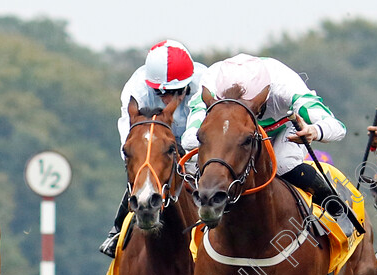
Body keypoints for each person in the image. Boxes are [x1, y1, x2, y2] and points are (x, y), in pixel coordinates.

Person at [181, 53, 361, 236]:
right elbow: (189, 138)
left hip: (283, 130)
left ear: (265, 95)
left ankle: (335, 207)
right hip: (235, 137)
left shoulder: (285, 86)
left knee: (283, 163)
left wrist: (314, 131)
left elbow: (338, 127)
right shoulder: (212, 82)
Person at [100, 40, 207, 257]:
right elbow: (129, 139)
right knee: (141, 168)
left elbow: (203, 130)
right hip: (153, 142)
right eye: (160, 92)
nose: (167, 98)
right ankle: (118, 230)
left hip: (194, 140)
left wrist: (184, 154)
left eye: (175, 91)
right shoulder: (136, 88)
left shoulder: (205, 82)